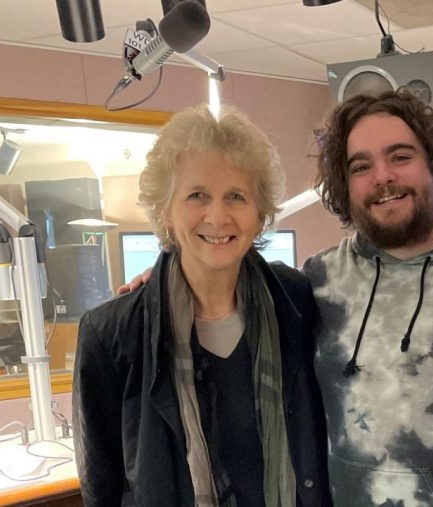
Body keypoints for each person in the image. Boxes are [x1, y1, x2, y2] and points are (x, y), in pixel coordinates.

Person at [72, 105, 331, 506]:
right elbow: (101, 485)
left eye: (235, 196)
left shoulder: (295, 300)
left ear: (259, 215)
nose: (218, 215)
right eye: (197, 195)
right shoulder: (113, 333)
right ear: (166, 212)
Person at [303, 89, 433, 506]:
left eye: (400, 156)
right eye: (361, 166)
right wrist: (167, 276)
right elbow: (228, 300)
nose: (382, 177)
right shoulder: (317, 282)